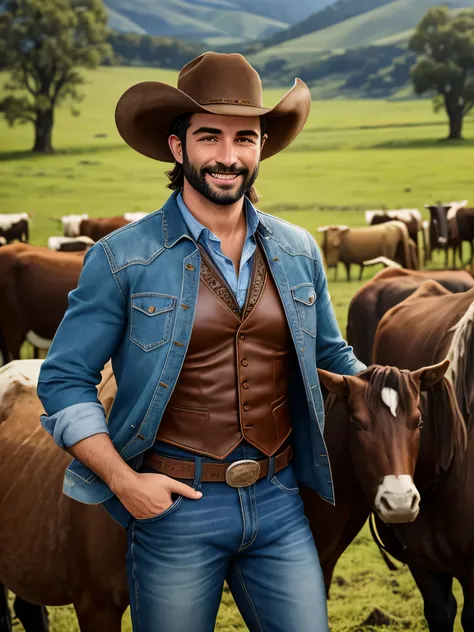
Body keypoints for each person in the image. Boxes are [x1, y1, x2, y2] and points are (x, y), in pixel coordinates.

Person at [37, 52, 366, 632]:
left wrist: (397, 391)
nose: (228, 156)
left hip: (280, 499)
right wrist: (124, 481)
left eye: (245, 138)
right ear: (176, 146)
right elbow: (63, 380)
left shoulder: (297, 250)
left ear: (262, 147)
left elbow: (329, 358)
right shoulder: (121, 258)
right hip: (173, 509)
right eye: (209, 136)